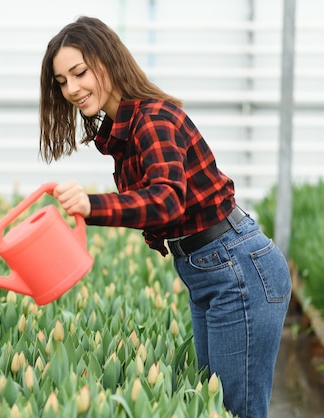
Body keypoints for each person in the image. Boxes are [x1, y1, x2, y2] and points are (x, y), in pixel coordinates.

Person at [40, 16, 291, 418]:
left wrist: (92, 205)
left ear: (107, 60)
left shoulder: (151, 119)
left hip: (237, 270)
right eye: (61, 81)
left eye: (79, 73)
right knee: (215, 407)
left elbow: (165, 201)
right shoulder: (125, 130)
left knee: (235, 410)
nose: (71, 89)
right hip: (211, 268)